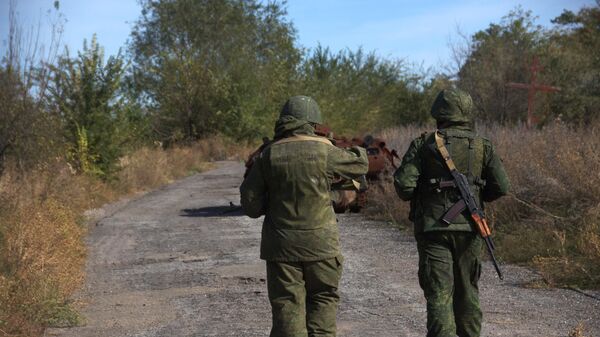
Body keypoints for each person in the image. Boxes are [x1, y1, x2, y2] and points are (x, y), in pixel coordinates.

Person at [240, 95, 369, 337]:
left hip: (281, 248)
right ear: (314, 122)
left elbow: (250, 206)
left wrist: (273, 201)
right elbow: (361, 165)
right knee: (323, 302)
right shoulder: (325, 151)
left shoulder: (268, 155)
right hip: (321, 246)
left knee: (287, 310)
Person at [393, 89, 510, 337]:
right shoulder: (482, 145)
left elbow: (404, 187)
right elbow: (502, 186)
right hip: (471, 227)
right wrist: (476, 200)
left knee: (439, 292)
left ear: (438, 113)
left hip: (433, 229)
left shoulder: (424, 144)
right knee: (468, 290)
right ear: (467, 113)